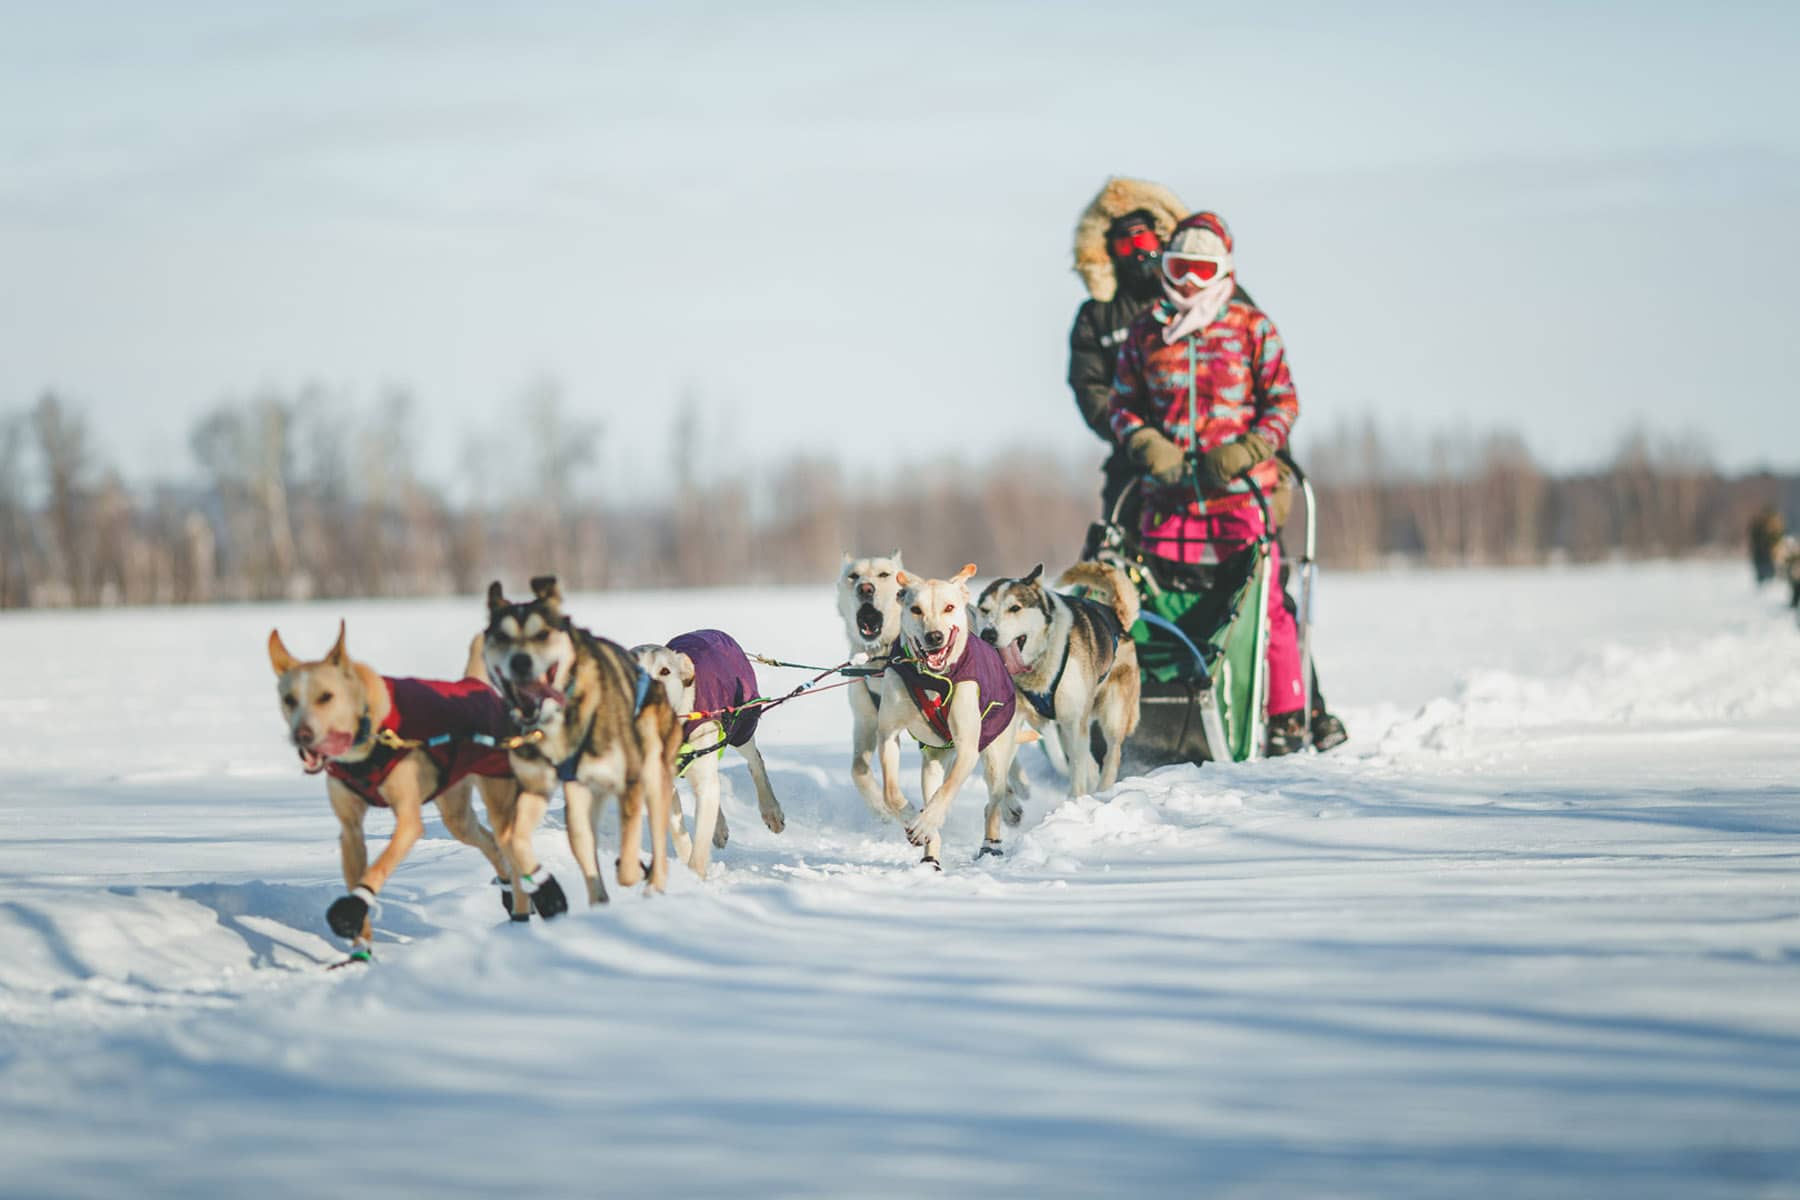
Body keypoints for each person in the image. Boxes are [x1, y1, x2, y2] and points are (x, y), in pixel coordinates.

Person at [1106, 210, 1314, 752]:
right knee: (1152, 603)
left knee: (1259, 605)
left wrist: (1248, 449)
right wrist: (1147, 444)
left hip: (1240, 499)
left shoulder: (1251, 327)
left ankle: (1288, 717)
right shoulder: (1147, 332)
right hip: (1168, 501)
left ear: (1223, 270)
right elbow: (1122, 404)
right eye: (1180, 267)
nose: (1190, 282)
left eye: (1202, 269)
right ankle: (1158, 715)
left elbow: (1283, 402)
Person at [1069, 177, 1190, 552]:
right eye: (1124, 243)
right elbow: (1090, 389)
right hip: (1133, 459)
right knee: (1116, 550)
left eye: (1144, 241)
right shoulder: (1097, 317)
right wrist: (1139, 438)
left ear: (1163, 238)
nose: (1137, 253)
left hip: (1210, 449)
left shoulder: (1203, 300)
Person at [1748, 505, 1784, 585]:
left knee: (1770, 569)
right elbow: (1754, 537)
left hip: (1770, 552)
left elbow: (1778, 537)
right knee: (1761, 569)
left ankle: (1769, 583)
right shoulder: (1759, 524)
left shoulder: (1775, 524)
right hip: (1761, 551)